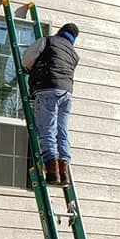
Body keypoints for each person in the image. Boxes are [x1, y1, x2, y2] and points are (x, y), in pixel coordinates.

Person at [20, 22, 80, 186]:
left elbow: (26, 60)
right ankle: (63, 172)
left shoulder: (48, 41)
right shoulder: (74, 54)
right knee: (61, 131)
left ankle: (53, 174)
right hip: (66, 93)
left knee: (47, 129)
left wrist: (26, 69)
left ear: (60, 31)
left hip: (48, 89)